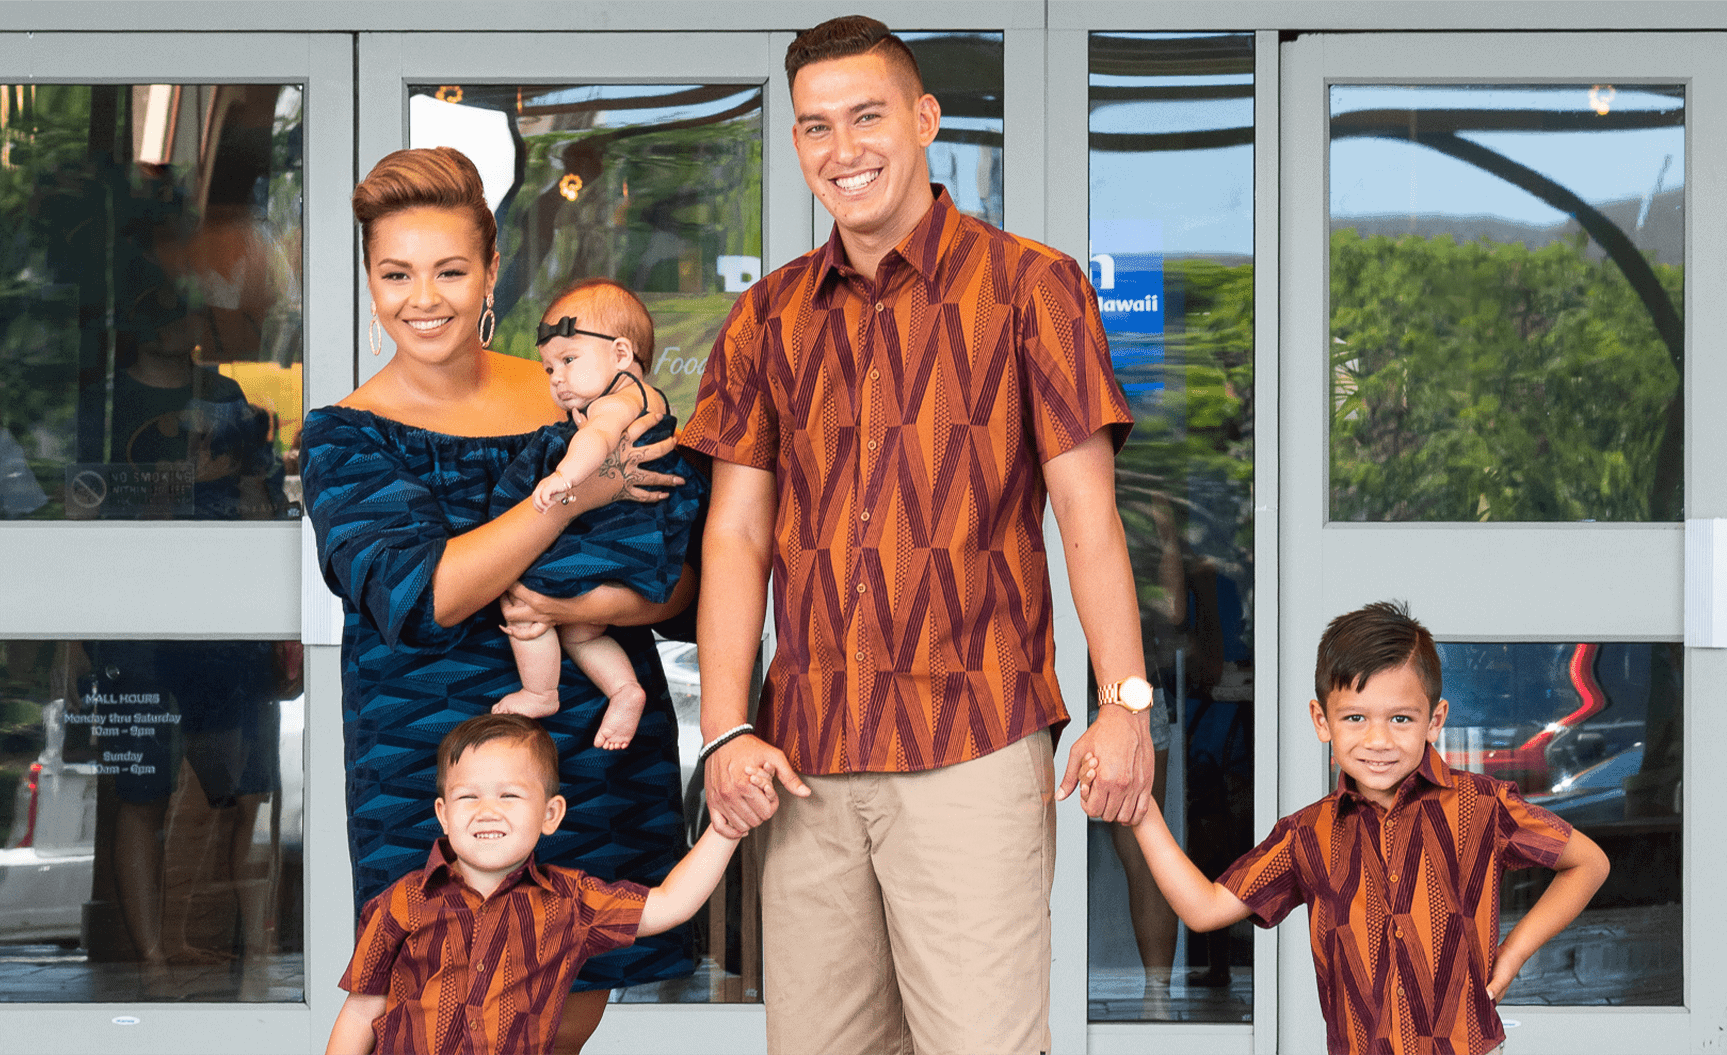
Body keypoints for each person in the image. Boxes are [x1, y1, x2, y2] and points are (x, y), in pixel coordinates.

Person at [680, 16, 1158, 1053]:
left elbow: (1086, 517)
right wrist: (724, 728)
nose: (841, 150)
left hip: (971, 743)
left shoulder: (1033, 288)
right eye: (815, 128)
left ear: (924, 120)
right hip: (803, 756)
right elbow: (734, 538)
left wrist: (1122, 702)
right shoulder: (763, 319)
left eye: (865, 117)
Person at [301, 146, 696, 1053]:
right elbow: (417, 594)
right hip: (423, 761)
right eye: (396, 273)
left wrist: (566, 609)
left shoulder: (581, 399)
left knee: (567, 1002)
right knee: (434, 1013)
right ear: (369, 283)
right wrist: (572, 500)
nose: (423, 296)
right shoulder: (341, 437)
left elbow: (671, 580)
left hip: (588, 749)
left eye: (448, 270)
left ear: (488, 278)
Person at [1087, 601, 1611, 1055]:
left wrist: (1514, 952)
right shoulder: (1306, 835)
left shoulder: (1481, 805)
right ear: (1322, 721)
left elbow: (1588, 862)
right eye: (1355, 718)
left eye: (1401, 719)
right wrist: (1144, 813)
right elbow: (1203, 910)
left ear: (1435, 719)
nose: (1378, 739)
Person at [325, 714, 739, 1055]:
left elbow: (669, 904)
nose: (487, 811)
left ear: (551, 814)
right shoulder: (398, 903)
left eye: (510, 796)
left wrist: (726, 831)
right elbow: (361, 1012)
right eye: (468, 797)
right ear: (444, 814)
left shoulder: (570, 903)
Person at [488, 278, 707, 752]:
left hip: (624, 534)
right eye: (548, 369)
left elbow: (597, 440)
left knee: (526, 593)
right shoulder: (638, 397)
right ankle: (624, 690)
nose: (557, 380)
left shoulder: (620, 400)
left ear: (622, 354)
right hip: (637, 536)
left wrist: (565, 478)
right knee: (581, 632)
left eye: (569, 361)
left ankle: (540, 691)